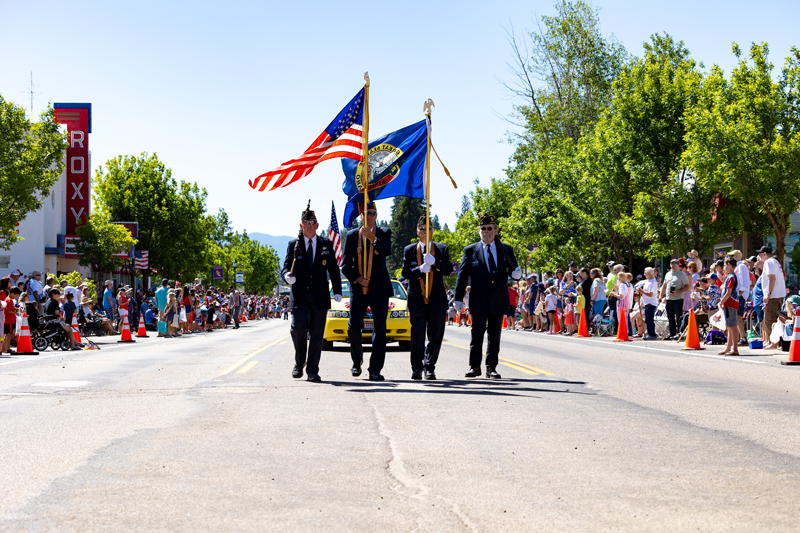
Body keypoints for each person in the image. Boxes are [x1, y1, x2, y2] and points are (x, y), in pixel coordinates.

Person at [282, 202, 343, 382]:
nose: (309, 227)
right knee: (298, 329)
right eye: (306, 224)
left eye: (312, 223)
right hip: (300, 294)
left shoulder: (326, 244)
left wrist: (337, 290)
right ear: (301, 226)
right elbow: (286, 266)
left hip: (320, 294)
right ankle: (299, 362)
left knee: (317, 333)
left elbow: (333, 269)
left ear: (317, 225)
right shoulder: (294, 244)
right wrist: (287, 275)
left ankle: (313, 370)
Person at [455, 214, 521, 378]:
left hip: (498, 298)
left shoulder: (506, 249)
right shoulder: (471, 250)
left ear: (496, 230)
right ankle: (474, 367)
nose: (486, 231)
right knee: (476, 334)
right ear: (479, 231)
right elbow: (462, 276)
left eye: (490, 228)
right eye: (483, 228)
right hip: (479, 299)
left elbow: (514, 269)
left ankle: (491, 367)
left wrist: (517, 274)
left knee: (494, 335)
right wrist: (457, 297)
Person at [341, 201, 392, 381]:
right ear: (361, 215)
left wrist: (373, 238)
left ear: (376, 216)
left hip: (379, 288)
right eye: (366, 213)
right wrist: (357, 278)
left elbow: (387, 251)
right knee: (354, 326)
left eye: (372, 213)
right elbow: (345, 265)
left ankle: (375, 369)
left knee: (380, 328)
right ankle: (357, 361)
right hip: (359, 287)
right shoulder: (352, 235)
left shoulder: (384, 232)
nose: (369, 217)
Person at [401, 215, 453, 380]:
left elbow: (448, 269)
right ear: (417, 231)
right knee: (417, 335)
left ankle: (429, 367)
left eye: (428, 228)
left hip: (436, 299)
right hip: (417, 299)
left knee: (435, 335)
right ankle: (416, 367)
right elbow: (405, 272)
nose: (425, 231)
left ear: (433, 231)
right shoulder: (409, 250)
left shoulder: (441, 249)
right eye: (422, 229)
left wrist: (435, 263)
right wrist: (419, 270)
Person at [758, 246, 786, 349]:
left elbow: (772, 278)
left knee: (769, 319)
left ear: (765, 254)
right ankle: (777, 342)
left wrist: (768, 293)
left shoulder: (769, 262)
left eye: (760, 254)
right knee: (777, 319)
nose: (759, 256)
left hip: (773, 296)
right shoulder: (775, 261)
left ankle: (775, 342)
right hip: (778, 294)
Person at [659, 259, 690, 340]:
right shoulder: (668, 274)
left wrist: (677, 291)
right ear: (670, 264)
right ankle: (672, 334)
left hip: (678, 299)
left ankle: (679, 334)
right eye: (672, 263)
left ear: (678, 265)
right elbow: (664, 286)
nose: (673, 265)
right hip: (669, 299)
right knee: (670, 317)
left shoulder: (682, 274)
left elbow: (687, 287)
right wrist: (661, 296)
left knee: (679, 317)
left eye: (675, 264)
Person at [719, 258, 740, 355]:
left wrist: (721, 301)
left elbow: (728, 292)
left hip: (730, 303)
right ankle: (728, 348)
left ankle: (735, 349)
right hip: (729, 303)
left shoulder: (731, 277)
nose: (724, 268)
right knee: (729, 326)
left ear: (729, 265)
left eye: (725, 265)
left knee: (732, 326)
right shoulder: (730, 277)